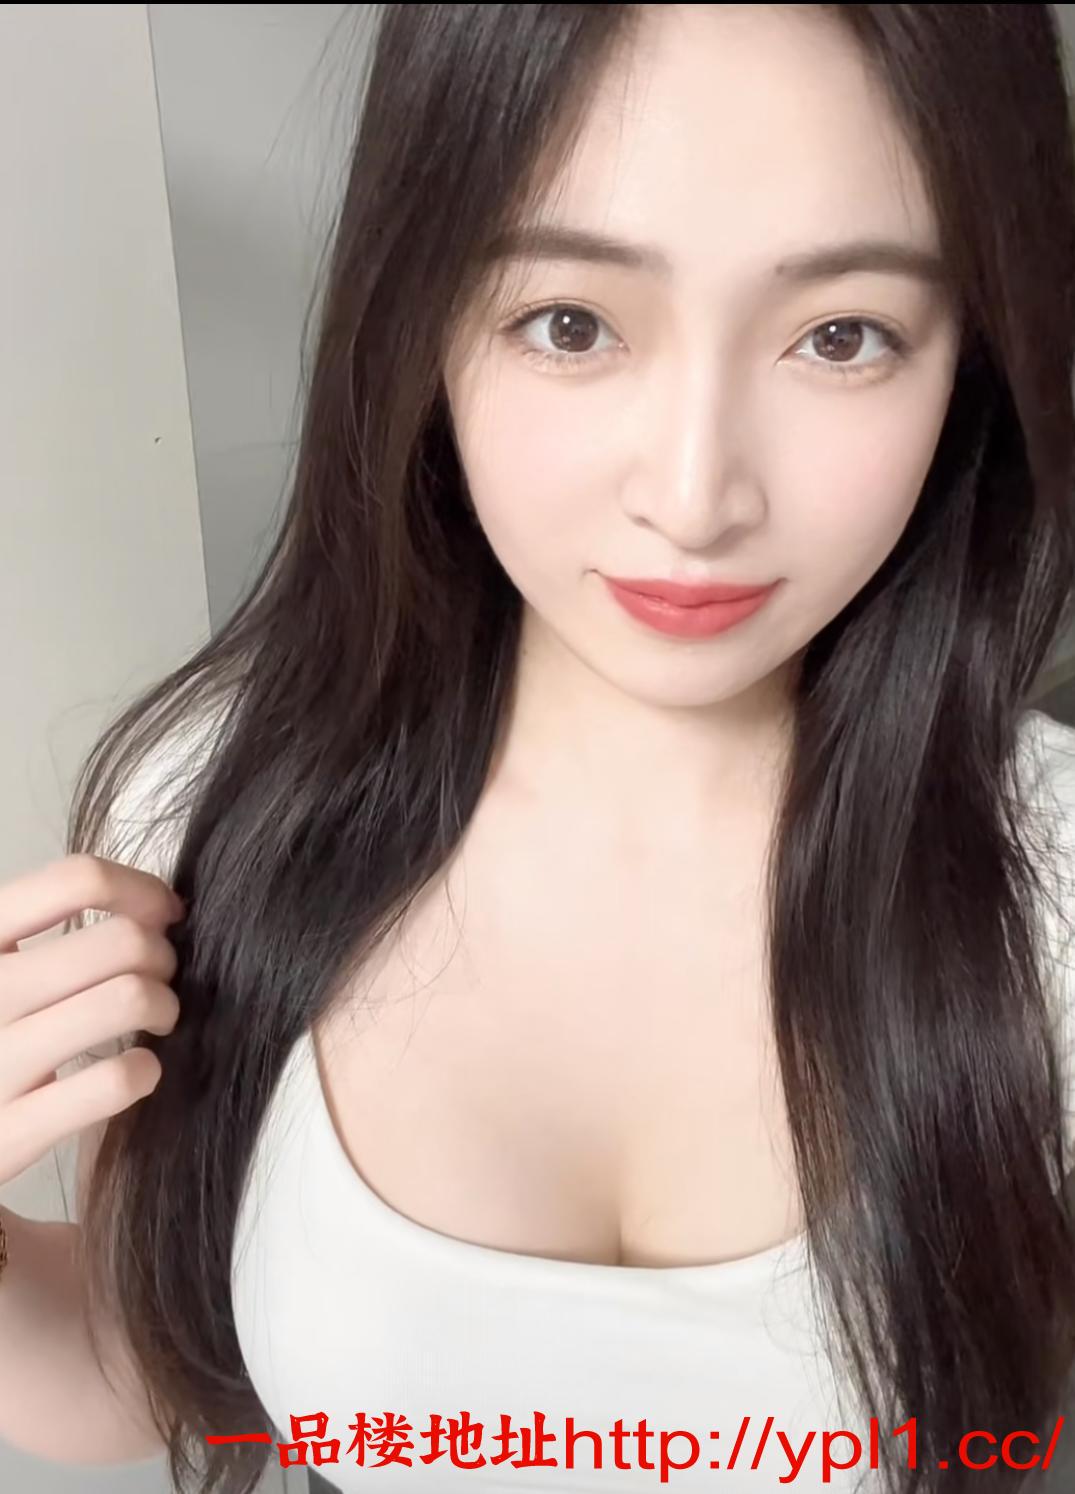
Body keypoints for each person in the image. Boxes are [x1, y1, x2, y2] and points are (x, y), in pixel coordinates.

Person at [3, 4, 1075, 1490]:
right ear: (426, 321)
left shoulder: (1053, 886)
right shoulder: (204, 803)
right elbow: (138, 1381)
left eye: (843, 336)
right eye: (571, 323)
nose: (694, 494)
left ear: (972, 363)